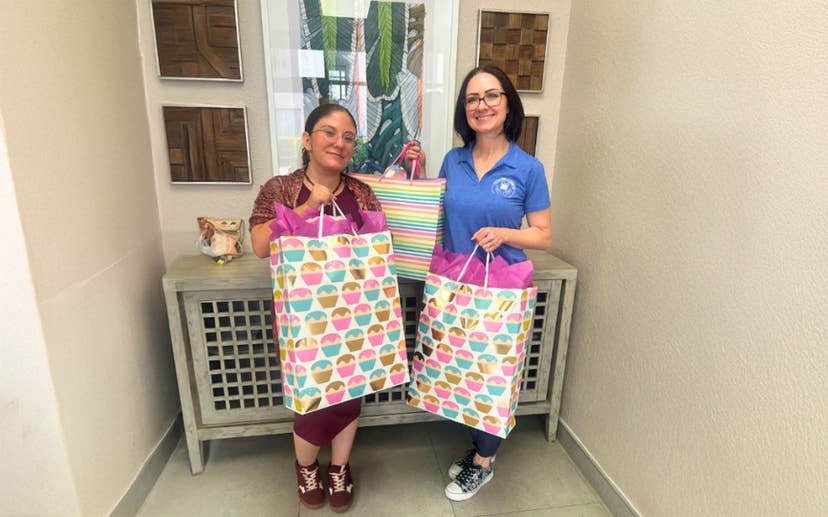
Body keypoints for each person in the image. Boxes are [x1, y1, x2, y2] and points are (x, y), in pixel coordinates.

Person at [410, 65, 552, 501]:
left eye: (491, 96)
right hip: (453, 284)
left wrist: (505, 233)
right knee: (458, 372)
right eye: (472, 98)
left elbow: (543, 235)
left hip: (502, 291)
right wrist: (418, 172)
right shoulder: (452, 161)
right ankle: (478, 450)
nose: (481, 105)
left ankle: (485, 463)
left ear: (508, 104)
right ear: (464, 109)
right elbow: (435, 216)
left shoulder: (527, 168)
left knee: (492, 375)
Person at [250, 104, 382, 512]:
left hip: (355, 313)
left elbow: (379, 248)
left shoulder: (361, 193)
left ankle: (339, 467)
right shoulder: (280, 189)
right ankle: (306, 466)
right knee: (310, 395)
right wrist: (305, 211)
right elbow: (259, 245)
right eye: (329, 132)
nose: (339, 143)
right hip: (303, 319)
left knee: (350, 392)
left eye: (348, 137)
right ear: (307, 140)